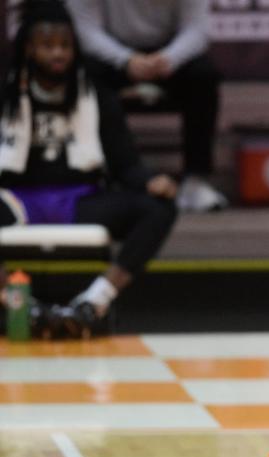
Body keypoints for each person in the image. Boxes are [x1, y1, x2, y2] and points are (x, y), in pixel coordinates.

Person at [0, 0, 178, 338]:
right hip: (16, 200)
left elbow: (125, 163)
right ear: (28, 48)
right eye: (48, 45)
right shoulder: (6, 95)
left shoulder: (97, 96)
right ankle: (16, 301)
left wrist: (151, 180)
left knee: (158, 208)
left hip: (79, 201)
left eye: (65, 45)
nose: (58, 54)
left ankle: (95, 299)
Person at [66, 0, 226, 212]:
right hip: (110, 51)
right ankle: (102, 176)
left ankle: (195, 182)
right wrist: (126, 60)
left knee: (203, 76)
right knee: (85, 78)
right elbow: (85, 31)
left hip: (168, 53)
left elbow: (197, 30)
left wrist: (169, 59)